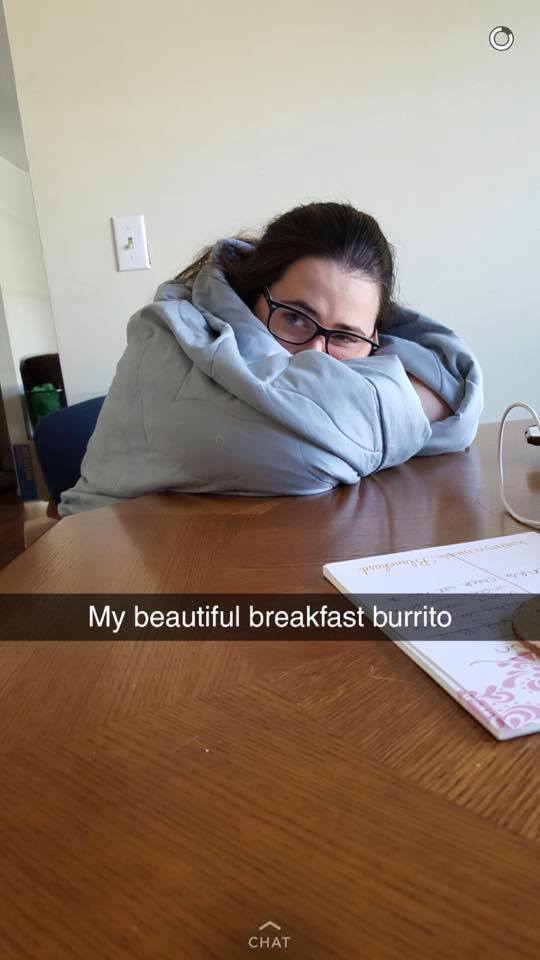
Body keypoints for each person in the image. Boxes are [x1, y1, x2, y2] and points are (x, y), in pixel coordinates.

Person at [58, 202, 483, 516]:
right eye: (296, 318)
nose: (318, 357)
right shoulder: (166, 330)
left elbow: (459, 393)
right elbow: (287, 450)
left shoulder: (375, 345)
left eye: (346, 336)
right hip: (107, 569)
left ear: (376, 338)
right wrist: (419, 406)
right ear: (252, 295)